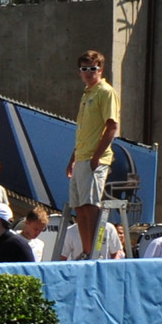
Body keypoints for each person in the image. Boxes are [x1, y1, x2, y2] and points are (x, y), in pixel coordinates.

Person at [68, 49, 117, 211]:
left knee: (90, 206)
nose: (88, 72)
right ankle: (83, 232)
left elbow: (112, 126)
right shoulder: (86, 94)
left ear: (100, 70)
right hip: (81, 158)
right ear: (80, 72)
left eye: (92, 68)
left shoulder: (105, 92)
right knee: (79, 207)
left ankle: (91, 232)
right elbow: (85, 132)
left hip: (93, 159)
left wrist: (96, 158)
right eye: (84, 69)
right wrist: (73, 159)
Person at [55, 200, 125, 261]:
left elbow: (116, 253)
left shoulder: (109, 228)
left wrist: (111, 268)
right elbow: (62, 258)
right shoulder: (70, 231)